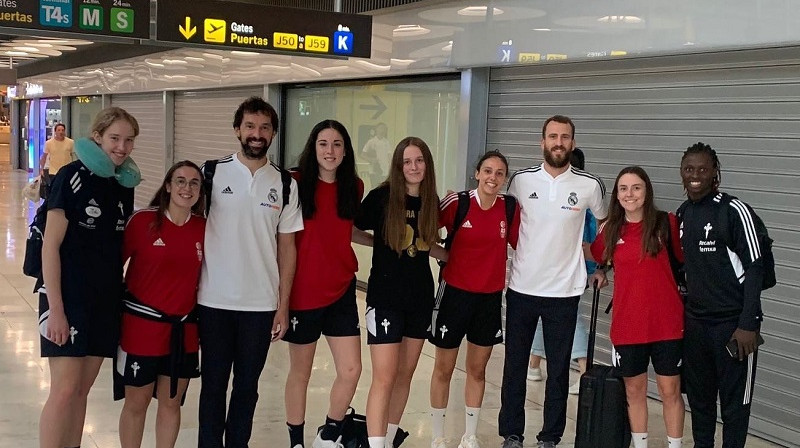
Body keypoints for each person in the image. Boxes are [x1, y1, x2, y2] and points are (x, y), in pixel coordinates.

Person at [197, 96, 304, 448]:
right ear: (237, 130)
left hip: (259, 306)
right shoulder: (211, 173)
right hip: (213, 300)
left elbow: (287, 248)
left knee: (247, 388)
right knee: (213, 385)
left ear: (273, 133)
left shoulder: (286, 185)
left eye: (264, 128)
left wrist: (283, 305)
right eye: (250, 127)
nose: (257, 134)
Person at [499, 115, 608, 448]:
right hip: (521, 289)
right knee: (514, 367)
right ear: (542, 141)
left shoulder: (590, 185)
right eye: (552, 136)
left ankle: (550, 437)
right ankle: (511, 434)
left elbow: (606, 224)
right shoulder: (519, 181)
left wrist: (602, 264)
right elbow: (496, 213)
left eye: (565, 137)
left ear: (572, 143)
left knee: (559, 371)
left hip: (565, 291)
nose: (558, 142)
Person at [38, 107, 139, 448]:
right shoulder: (70, 177)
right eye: (115, 138)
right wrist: (57, 309)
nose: (122, 147)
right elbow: (50, 247)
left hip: (105, 299)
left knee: (82, 389)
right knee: (64, 389)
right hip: (67, 296)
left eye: (128, 140)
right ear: (97, 137)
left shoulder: (123, 186)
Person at [354, 136, 443, 448]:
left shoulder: (431, 201)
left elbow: (426, 245)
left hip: (419, 300)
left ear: (427, 165)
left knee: (405, 376)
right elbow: (351, 228)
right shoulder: (382, 197)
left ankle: (388, 440)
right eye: (407, 161)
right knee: (384, 377)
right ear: (398, 165)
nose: (414, 167)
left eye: (419, 161)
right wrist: (378, 241)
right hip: (384, 299)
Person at [429, 151, 520, 448]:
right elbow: (424, 229)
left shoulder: (509, 209)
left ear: (504, 179)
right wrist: (443, 254)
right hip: (454, 295)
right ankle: (438, 435)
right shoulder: (458, 203)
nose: (493, 178)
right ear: (477, 174)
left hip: (489, 299)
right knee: (443, 368)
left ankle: (470, 434)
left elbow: (525, 244)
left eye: (499, 173)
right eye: (488, 171)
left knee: (477, 370)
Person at [589, 166, 685, 448]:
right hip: (628, 326)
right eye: (623, 189)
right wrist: (600, 271)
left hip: (667, 324)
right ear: (617, 195)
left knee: (670, 390)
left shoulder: (666, 224)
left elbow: (685, 260)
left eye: (636, 188)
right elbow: (597, 256)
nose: (630, 194)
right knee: (634, 391)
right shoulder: (610, 230)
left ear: (647, 191)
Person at [283, 120, 364, 448]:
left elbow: (346, 229)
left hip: (341, 290)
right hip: (302, 294)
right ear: (312, 148)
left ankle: (329, 434)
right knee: (300, 373)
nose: (330, 151)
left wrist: (383, 241)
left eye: (337, 145)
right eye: (323, 144)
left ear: (345, 151)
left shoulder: (353, 186)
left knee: (352, 369)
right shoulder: (294, 183)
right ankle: (296, 442)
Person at [677, 142, 764, 448]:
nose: (695, 175)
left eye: (702, 169)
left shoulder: (733, 210)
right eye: (689, 169)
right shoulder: (683, 214)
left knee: (734, 408)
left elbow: (756, 267)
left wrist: (748, 324)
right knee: (700, 404)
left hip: (733, 328)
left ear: (715, 172)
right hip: (696, 328)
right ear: (682, 173)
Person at [116, 161, 206, 448]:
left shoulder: (206, 229)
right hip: (140, 331)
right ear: (167, 185)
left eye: (194, 183)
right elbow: (109, 269)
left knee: (171, 404)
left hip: (184, 333)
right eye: (180, 181)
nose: (186, 188)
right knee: (136, 403)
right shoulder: (142, 221)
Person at [527, 148, 593, 393]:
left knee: (571, 318)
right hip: (546, 270)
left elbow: (592, 235)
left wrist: (592, 267)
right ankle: (534, 363)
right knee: (544, 314)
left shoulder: (584, 193)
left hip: (573, 270)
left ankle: (585, 369)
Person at [39, 123, 75, 199]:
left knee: (65, 191)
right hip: (53, 171)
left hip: (66, 171)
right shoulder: (49, 143)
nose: (61, 132)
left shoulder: (71, 142)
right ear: (55, 132)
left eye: (62, 130)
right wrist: (42, 169)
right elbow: (44, 157)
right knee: (55, 191)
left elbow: (73, 156)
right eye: (58, 130)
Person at [360, 123, 392, 187]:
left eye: (384, 129)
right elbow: (362, 154)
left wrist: (391, 167)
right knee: (374, 188)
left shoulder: (387, 142)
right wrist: (371, 160)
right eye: (380, 128)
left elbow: (389, 155)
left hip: (385, 170)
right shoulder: (371, 142)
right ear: (376, 130)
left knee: (383, 188)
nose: (382, 130)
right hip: (374, 170)